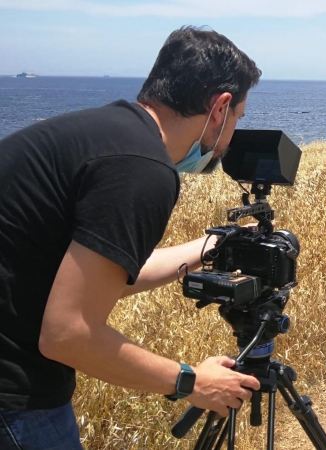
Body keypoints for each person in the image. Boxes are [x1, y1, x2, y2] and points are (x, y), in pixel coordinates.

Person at [0, 26, 264, 449]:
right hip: (14, 398)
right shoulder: (142, 168)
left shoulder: (109, 132)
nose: (229, 141)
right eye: (238, 120)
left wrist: (212, 245)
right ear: (220, 107)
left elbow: (107, 276)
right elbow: (67, 334)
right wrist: (191, 382)